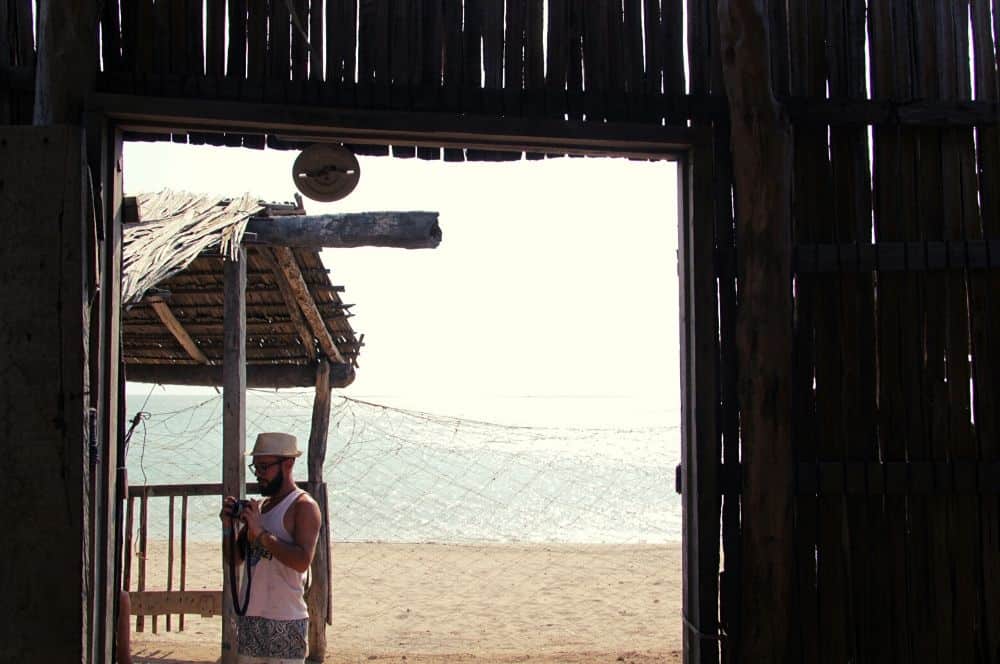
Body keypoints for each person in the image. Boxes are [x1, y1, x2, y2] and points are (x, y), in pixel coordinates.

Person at [220, 432, 322, 664]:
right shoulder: (262, 508)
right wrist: (228, 528)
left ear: (288, 464)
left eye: (264, 467)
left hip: (286, 620)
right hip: (250, 619)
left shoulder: (303, 506)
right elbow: (234, 559)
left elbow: (302, 561)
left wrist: (262, 535)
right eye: (256, 468)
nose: (259, 475)